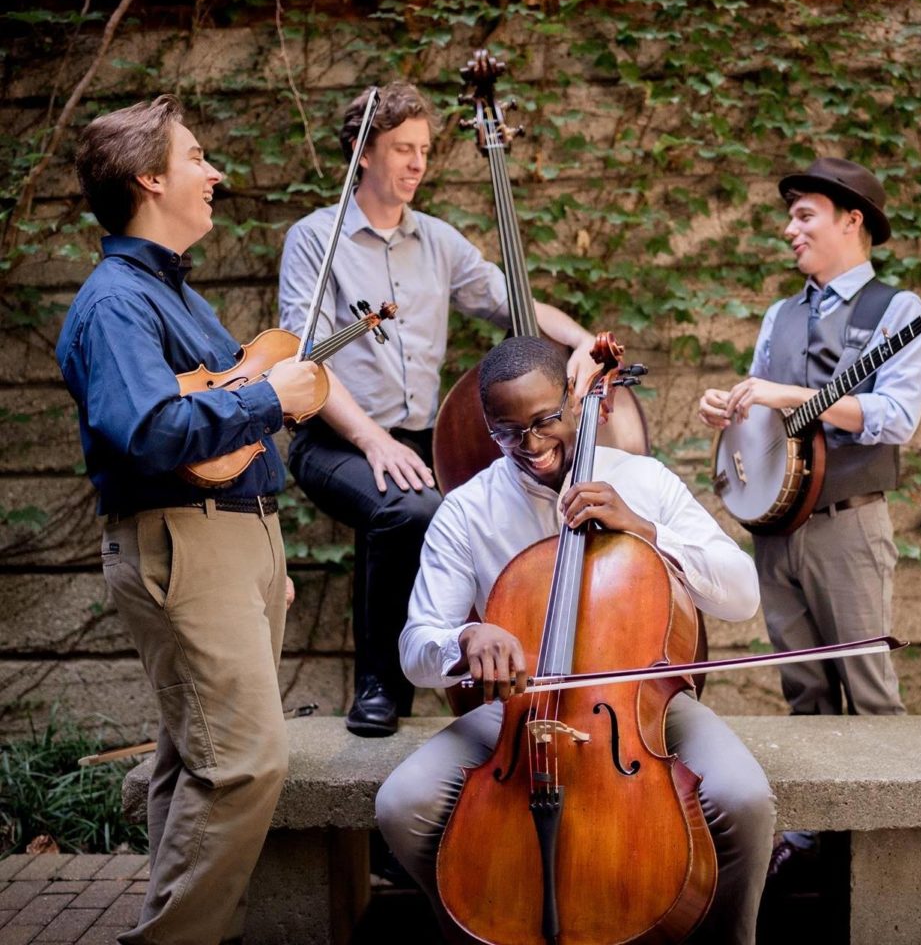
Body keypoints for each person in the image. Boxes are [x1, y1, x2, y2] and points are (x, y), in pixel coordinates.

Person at [376, 335, 775, 945]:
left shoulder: (643, 481)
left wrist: (645, 531)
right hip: (518, 710)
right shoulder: (467, 510)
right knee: (401, 805)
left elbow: (741, 593)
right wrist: (465, 637)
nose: (531, 446)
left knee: (743, 800)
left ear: (574, 399)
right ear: (488, 428)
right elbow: (415, 648)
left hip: (641, 705)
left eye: (544, 421)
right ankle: (490, 928)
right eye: (509, 432)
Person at [56, 95, 321, 945]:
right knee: (245, 766)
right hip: (183, 539)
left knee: (192, 758)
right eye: (198, 157)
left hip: (229, 539)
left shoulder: (174, 294)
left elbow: (221, 421)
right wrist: (269, 399)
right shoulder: (116, 303)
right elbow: (149, 431)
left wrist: (260, 542)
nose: (215, 174)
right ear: (150, 179)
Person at [278, 81, 601, 736]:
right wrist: (372, 441)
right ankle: (377, 689)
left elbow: (510, 301)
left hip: (418, 440)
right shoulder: (316, 239)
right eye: (402, 148)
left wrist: (583, 341)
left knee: (469, 505)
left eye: (424, 149)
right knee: (405, 508)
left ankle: (502, 679)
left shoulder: (440, 242)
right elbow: (303, 359)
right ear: (362, 152)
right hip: (335, 438)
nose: (418, 162)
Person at [698, 156, 921, 874]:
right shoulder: (780, 313)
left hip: (849, 528)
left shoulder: (898, 310)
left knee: (867, 693)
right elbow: (764, 423)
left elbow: (895, 418)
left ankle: (884, 861)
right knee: (805, 691)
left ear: (851, 219)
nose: (789, 228)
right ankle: (817, 843)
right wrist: (730, 410)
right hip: (779, 530)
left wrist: (790, 395)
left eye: (804, 215)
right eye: (791, 215)